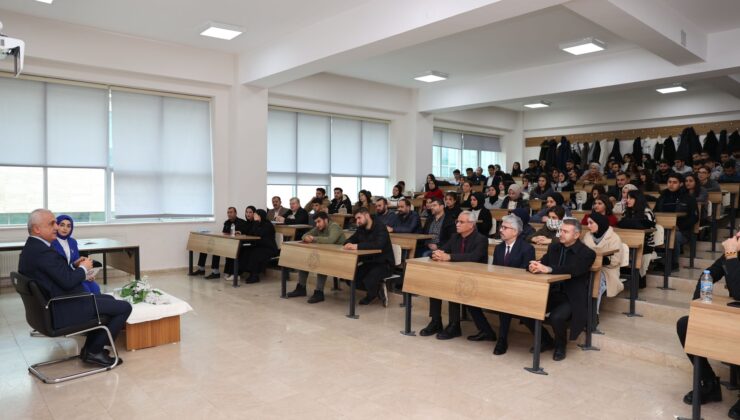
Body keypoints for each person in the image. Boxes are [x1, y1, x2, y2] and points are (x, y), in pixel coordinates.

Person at [18, 209, 132, 367]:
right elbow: (68, 282)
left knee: (109, 299)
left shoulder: (32, 248)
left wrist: (74, 266)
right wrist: (84, 268)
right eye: (52, 224)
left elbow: (57, 274)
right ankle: (94, 351)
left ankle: (90, 350)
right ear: (37, 229)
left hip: (53, 306)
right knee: (124, 307)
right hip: (65, 308)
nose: (56, 227)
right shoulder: (44, 253)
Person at [676, 232, 740, 418]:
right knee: (686, 325)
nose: (736, 235)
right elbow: (708, 275)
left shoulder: (732, 253)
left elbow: (738, 291)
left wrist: (731, 254)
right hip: (734, 317)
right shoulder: (733, 254)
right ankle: (709, 383)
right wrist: (698, 311)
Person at [526, 219, 596, 361]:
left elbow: (573, 269)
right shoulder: (554, 247)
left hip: (571, 296)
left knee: (556, 317)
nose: (561, 234)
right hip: (551, 292)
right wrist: (534, 266)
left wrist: (549, 269)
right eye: (560, 231)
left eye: (565, 231)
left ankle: (560, 346)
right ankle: (546, 340)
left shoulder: (587, 253)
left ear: (576, 235)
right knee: (526, 310)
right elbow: (543, 262)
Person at [470, 214, 536, 354]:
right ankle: (486, 331)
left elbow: (526, 275)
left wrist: (506, 287)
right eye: (501, 227)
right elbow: (495, 270)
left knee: (505, 302)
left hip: (517, 290)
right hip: (499, 287)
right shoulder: (499, 248)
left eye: (505, 228)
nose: (500, 230)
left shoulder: (527, 248)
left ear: (515, 231)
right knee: (470, 296)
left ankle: (502, 340)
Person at [420, 211, 488, 340]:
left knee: (454, 287)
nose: (457, 224)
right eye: (457, 221)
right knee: (435, 285)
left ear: (471, 224)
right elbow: (442, 249)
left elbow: (473, 257)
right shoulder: (455, 237)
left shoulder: (481, 239)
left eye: (461, 222)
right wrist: (436, 254)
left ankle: (454, 325)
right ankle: (436, 321)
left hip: (474, 278)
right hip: (456, 275)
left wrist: (449, 257)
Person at [286, 211, 346, 303]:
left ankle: (319, 292)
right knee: (306, 260)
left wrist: (313, 238)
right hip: (328, 255)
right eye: (316, 222)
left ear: (326, 220)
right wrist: (306, 238)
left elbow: (331, 240)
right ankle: (301, 288)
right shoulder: (319, 227)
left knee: (320, 263)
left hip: (341, 257)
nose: (317, 225)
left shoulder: (334, 226)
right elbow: (304, 235)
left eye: (319, 221)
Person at [343, 207, 395, 306]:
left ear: (366, 215)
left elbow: (378, 245)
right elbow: (352, 238)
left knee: (369, 279)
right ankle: (377, 289)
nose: (357, 221)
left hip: (384, 263)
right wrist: (348, 243)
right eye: (356, 219)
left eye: (359, 218)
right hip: (369, 262)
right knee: (350, 277)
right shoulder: (361, 228)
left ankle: (371, 295)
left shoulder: (380, 227)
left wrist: (357, 246)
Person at [581, 212, 624, 316]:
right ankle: (579, 312)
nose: (588, 226)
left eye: (591, 223)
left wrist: (600, 259)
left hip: (607, 270)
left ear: (599, 223)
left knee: (596, 281)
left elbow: (615, 261)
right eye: (588, 223)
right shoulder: (587, 236)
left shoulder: (614, 238)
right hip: (588, 268)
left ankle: (592, 315)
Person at [654, 173, 698, 271]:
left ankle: (673, 263)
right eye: (669, 182)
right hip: (662, 229)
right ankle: (659, 261)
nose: (671, 184)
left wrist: (680, 227)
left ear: (681, 184)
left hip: (682, 231)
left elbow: (694, 217)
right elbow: (655, 213)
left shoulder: (688, 198)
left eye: (674, 182)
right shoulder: (662, 197)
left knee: (674, 235)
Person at [190, 207, 245, 279]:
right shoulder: (226, 222)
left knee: (216, 250)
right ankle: (201, 269)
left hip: (234, 245)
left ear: (235, 213)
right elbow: (224, 234)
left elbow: (242, 234)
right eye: (228, 212)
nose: (229, 214)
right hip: (226, 242)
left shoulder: (241, 222)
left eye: (231, 212)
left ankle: (215, 272)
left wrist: (238, 233)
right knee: (205, 247)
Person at [51, 215, 100, 295]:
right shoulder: (52, 242)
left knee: (94, 286)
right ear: (56, 226)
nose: (65, 228)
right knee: (85, 289)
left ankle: (98, 303)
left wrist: (87, 274)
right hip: (63, 278)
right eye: (62, 225)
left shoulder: (72, 242)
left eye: (68, 226)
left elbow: (76, 264)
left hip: (75, 274)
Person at [617, 190, 657, 288]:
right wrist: (634, 223)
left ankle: (638, 279)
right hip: (628, 242)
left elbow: (649, 228)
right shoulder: (627, 211)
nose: (628, 200)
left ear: (638, 199)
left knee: (637, 253)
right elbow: (621, 224)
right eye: (627, 198)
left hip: (645, 244)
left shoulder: (647, 212)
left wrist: (631, 223)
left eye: (631, 198)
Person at [238, 209, 278, 284]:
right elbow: (252, 233)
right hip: (260, 246)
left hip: (269, 248)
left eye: (255, 215)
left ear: (260, 216)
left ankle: (255, 275)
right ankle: (243, 271)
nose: (254, 217)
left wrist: (256, 222)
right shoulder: (257, 223)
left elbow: (258, 234)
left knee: (255, 253)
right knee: (246, 250)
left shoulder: (268, 225)